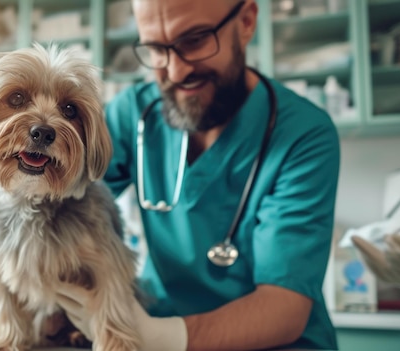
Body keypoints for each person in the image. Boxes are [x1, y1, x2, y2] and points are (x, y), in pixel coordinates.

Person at [56, 0, 341, 350]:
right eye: (157, 49)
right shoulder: (134, 113)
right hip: (156, 322)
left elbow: (285, 307)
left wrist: (160, 337)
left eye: (194, 41)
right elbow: (58, 187)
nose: (175, 71)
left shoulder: (303, 134)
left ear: (247, 21)